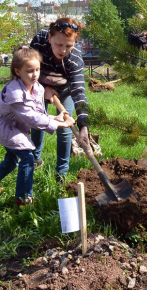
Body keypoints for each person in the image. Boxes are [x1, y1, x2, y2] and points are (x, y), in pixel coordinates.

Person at [0, 48, 75, 205]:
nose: (35, 75)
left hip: (17, 127)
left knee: (11, 161)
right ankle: (24, 198)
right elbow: (31, 118)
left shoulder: (37, 87)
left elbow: (37, 112)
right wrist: (61, 124)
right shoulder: (14, 92)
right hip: (7, 129)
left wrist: (54, 117)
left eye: (37, 70)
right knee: (27, 158)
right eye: (29, 71)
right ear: (18, 72)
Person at [29, 18, 90, 184]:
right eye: (59, 45)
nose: (63, 50)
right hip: (38, 83)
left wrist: (84, 124)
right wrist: (42, 89)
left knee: (65, 128)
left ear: (75, 42)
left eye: (68, 46)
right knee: (38, 121)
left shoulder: (75, 58)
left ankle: (61, 173)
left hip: (64, 90)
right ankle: (34, 160)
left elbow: (79, 91)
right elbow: (26, 70)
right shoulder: (40, 41)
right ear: (50, 38)